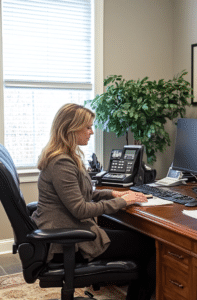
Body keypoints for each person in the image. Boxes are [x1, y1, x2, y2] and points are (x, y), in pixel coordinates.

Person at [31, 103, 155, 300]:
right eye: (87, 127)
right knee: (149, 245)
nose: (91, 132)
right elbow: (80, 209)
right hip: (67, 243)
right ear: (71, 128)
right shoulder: (61, 162)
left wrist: (112, 194)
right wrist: (123, 202)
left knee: (135, 237)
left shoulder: (66, 156)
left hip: (66, 232)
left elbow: (82, 193)